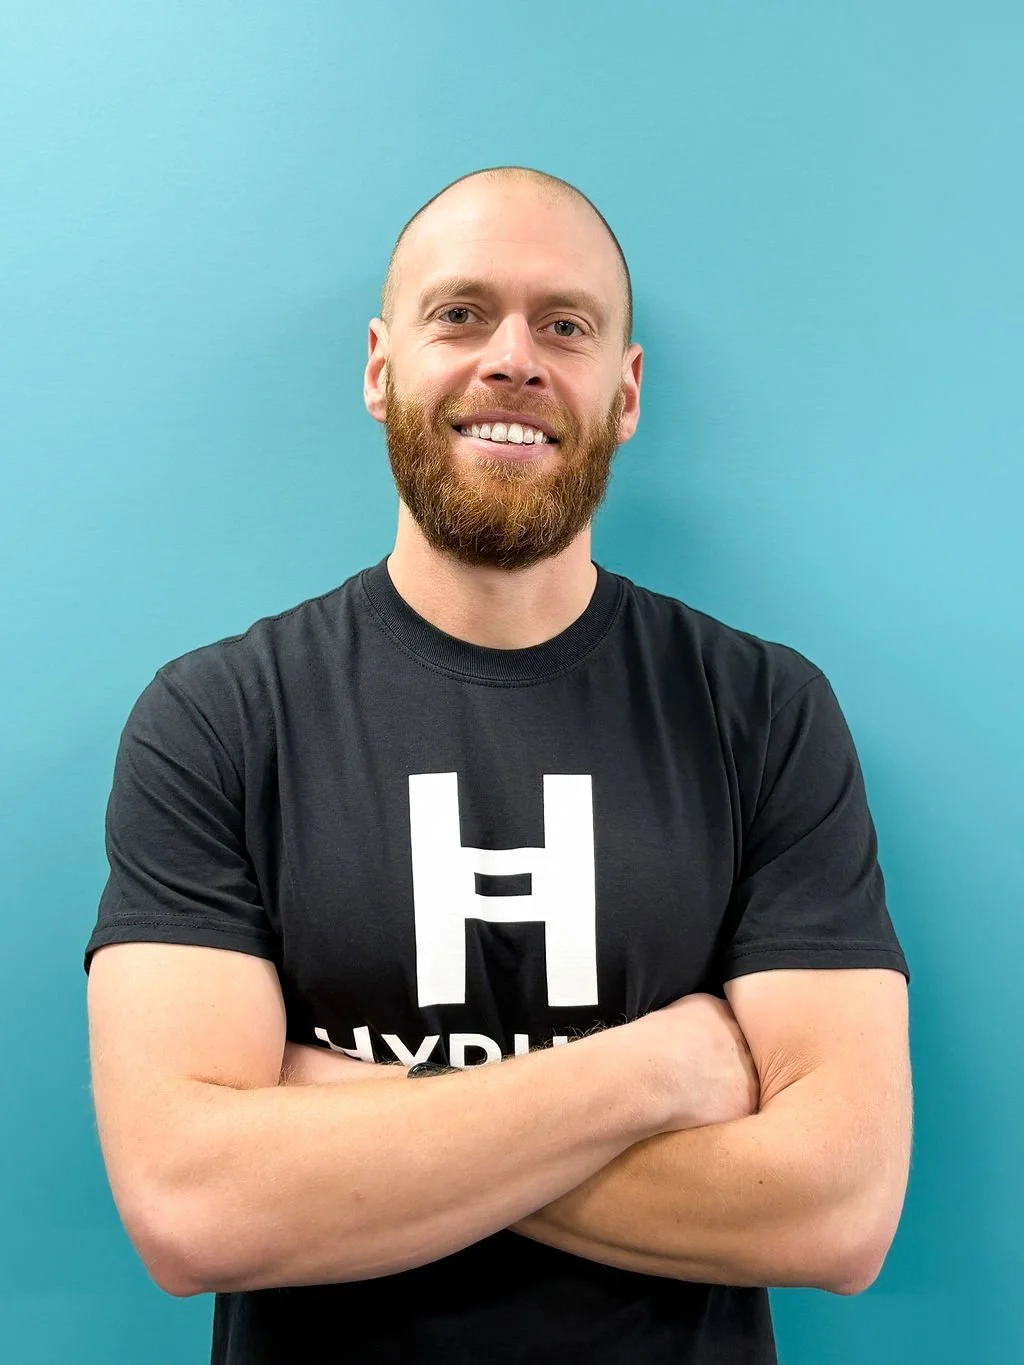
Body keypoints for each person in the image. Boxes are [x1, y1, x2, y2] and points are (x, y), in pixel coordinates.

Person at [84, 165, 912, 1365]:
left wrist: (330, 1117)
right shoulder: (218, 719)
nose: (512, 358)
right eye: (460, 314)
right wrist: (652, 1072)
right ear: (380, 369)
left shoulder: (762, 712)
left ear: (623, 394)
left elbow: (837, 1211)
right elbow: (191, 1208)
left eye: (563, 326)